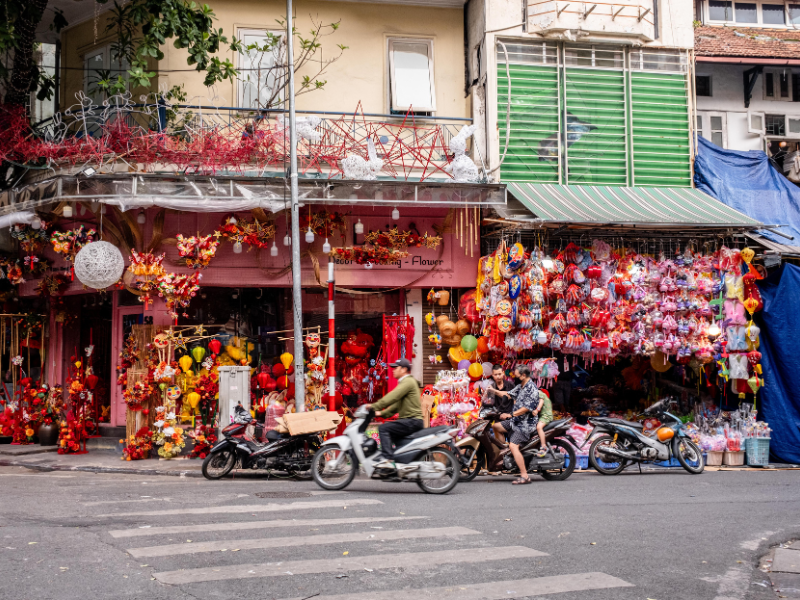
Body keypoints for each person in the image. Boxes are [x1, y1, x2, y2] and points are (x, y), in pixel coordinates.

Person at [365, 358, 423, 469]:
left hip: (412, 420)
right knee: (393, 435)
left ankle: (386, 458)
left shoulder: (408, 382)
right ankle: (399, 464)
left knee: (384, 429)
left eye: (396, 368)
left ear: (404, 369)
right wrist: (380, 414)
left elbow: (392, 397)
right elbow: (396, 406)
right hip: (411, 420)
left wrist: (374, 406)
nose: (393, 370)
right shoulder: (406, 382)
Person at [491, 364, 539, 485]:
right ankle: (508, 455)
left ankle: (524, 476)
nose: (515, 378)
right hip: (515, 421)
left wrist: (511, 415)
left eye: (517, 376)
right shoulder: (520, 386)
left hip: (525, 424)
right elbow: (507, 394)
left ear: (523, 375)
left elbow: (526, 408)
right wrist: (493, 391)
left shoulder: (531, 389)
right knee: (495, 426)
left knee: (513, 446)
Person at [533, 389, 553, 457]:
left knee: (539, 427)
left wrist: (536, 410)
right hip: (543, 416)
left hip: (546, 416)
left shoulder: (539, 393)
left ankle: (543, 446)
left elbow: (541, 402)